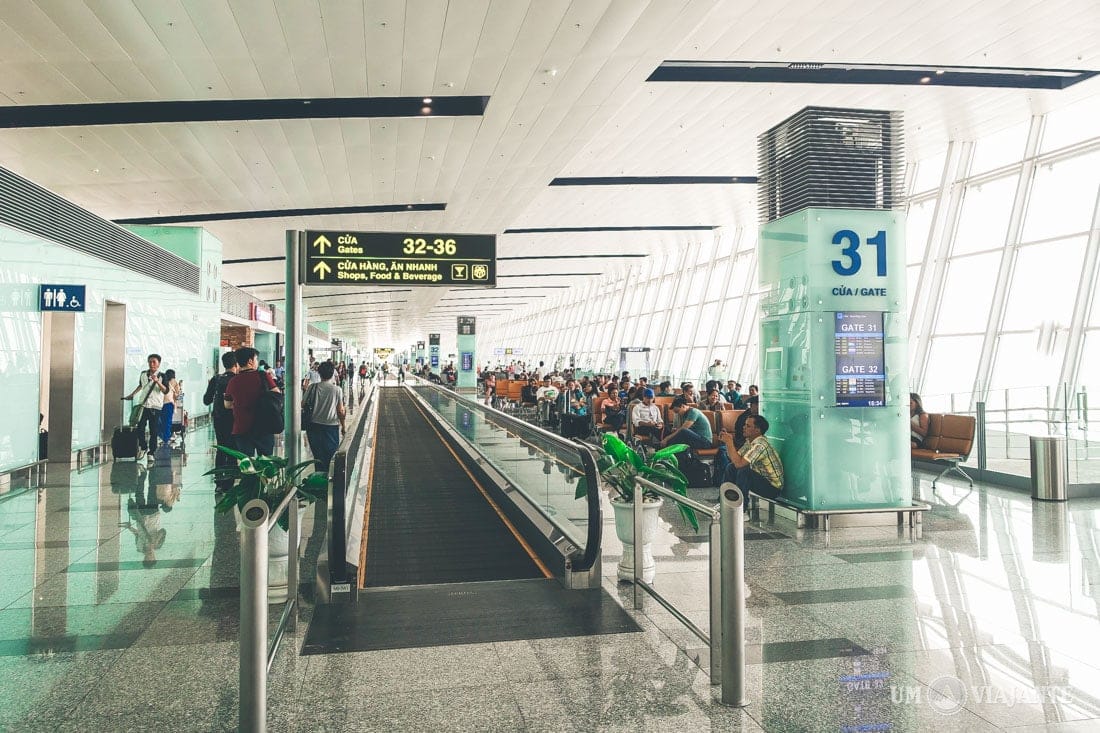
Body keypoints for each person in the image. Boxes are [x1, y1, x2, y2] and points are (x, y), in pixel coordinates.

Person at [224, 347, 281, 457]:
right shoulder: (263, 376)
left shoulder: (233, 381)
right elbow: (276, 393)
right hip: (263, 426)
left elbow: (227, 404)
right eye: (256, 359)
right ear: (250, 361)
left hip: (241, 428)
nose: (257, 362)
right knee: (266, 463)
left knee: (247, 464)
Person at [718, 415, 783, 500]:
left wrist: (729, 442)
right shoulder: (750, 442)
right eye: (745, 425)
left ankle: (741, 506)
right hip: (761, 481)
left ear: (757, 430)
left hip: (773, 488)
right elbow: (734, 460)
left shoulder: (760, 445)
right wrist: (728, 442)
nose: (743, 427)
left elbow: (739, 464)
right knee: (731, 467)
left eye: (748, 426)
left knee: (744, 471)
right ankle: (725, 501)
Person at [204, 352, 240, 490]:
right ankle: (230, 482)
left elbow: (206, 400)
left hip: (219, 419)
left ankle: (219, 483)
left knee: (221, 448)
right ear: (236, 364)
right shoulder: (238, 379)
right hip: (235, 419)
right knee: (232, 449)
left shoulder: (216, 379)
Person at [123, 353, 169, 462]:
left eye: (154, 362)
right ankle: (143, 447)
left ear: (158, 364)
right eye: (150, 362)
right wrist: (132, 394)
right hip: (143, 405)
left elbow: (165, 390)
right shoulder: (143, 374)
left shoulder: (162, 376)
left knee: (154, 430)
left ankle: (151, 452)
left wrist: (157, 381)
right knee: (140, 428)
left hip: (155, 406)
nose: (151, 364)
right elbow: (141, 385)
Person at [304, 361, 346, 472]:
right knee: (330, 456)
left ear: (319, 373)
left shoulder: (312, 387)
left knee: (318, 457)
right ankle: (329, 481)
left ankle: (319, 480)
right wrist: (343, 426)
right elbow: (341, 411)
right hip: (330, 427)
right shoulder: (337, 390)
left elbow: (303, 404)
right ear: (332, 374)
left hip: (313, 426)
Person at [158, 369, 181, 445]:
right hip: (169, 403)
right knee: (167, 422)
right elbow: (177, 395)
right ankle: (166, 438)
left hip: (160, 404)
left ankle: (164, 437)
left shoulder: (163, 381)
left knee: (160, 422)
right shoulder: (175, 382)